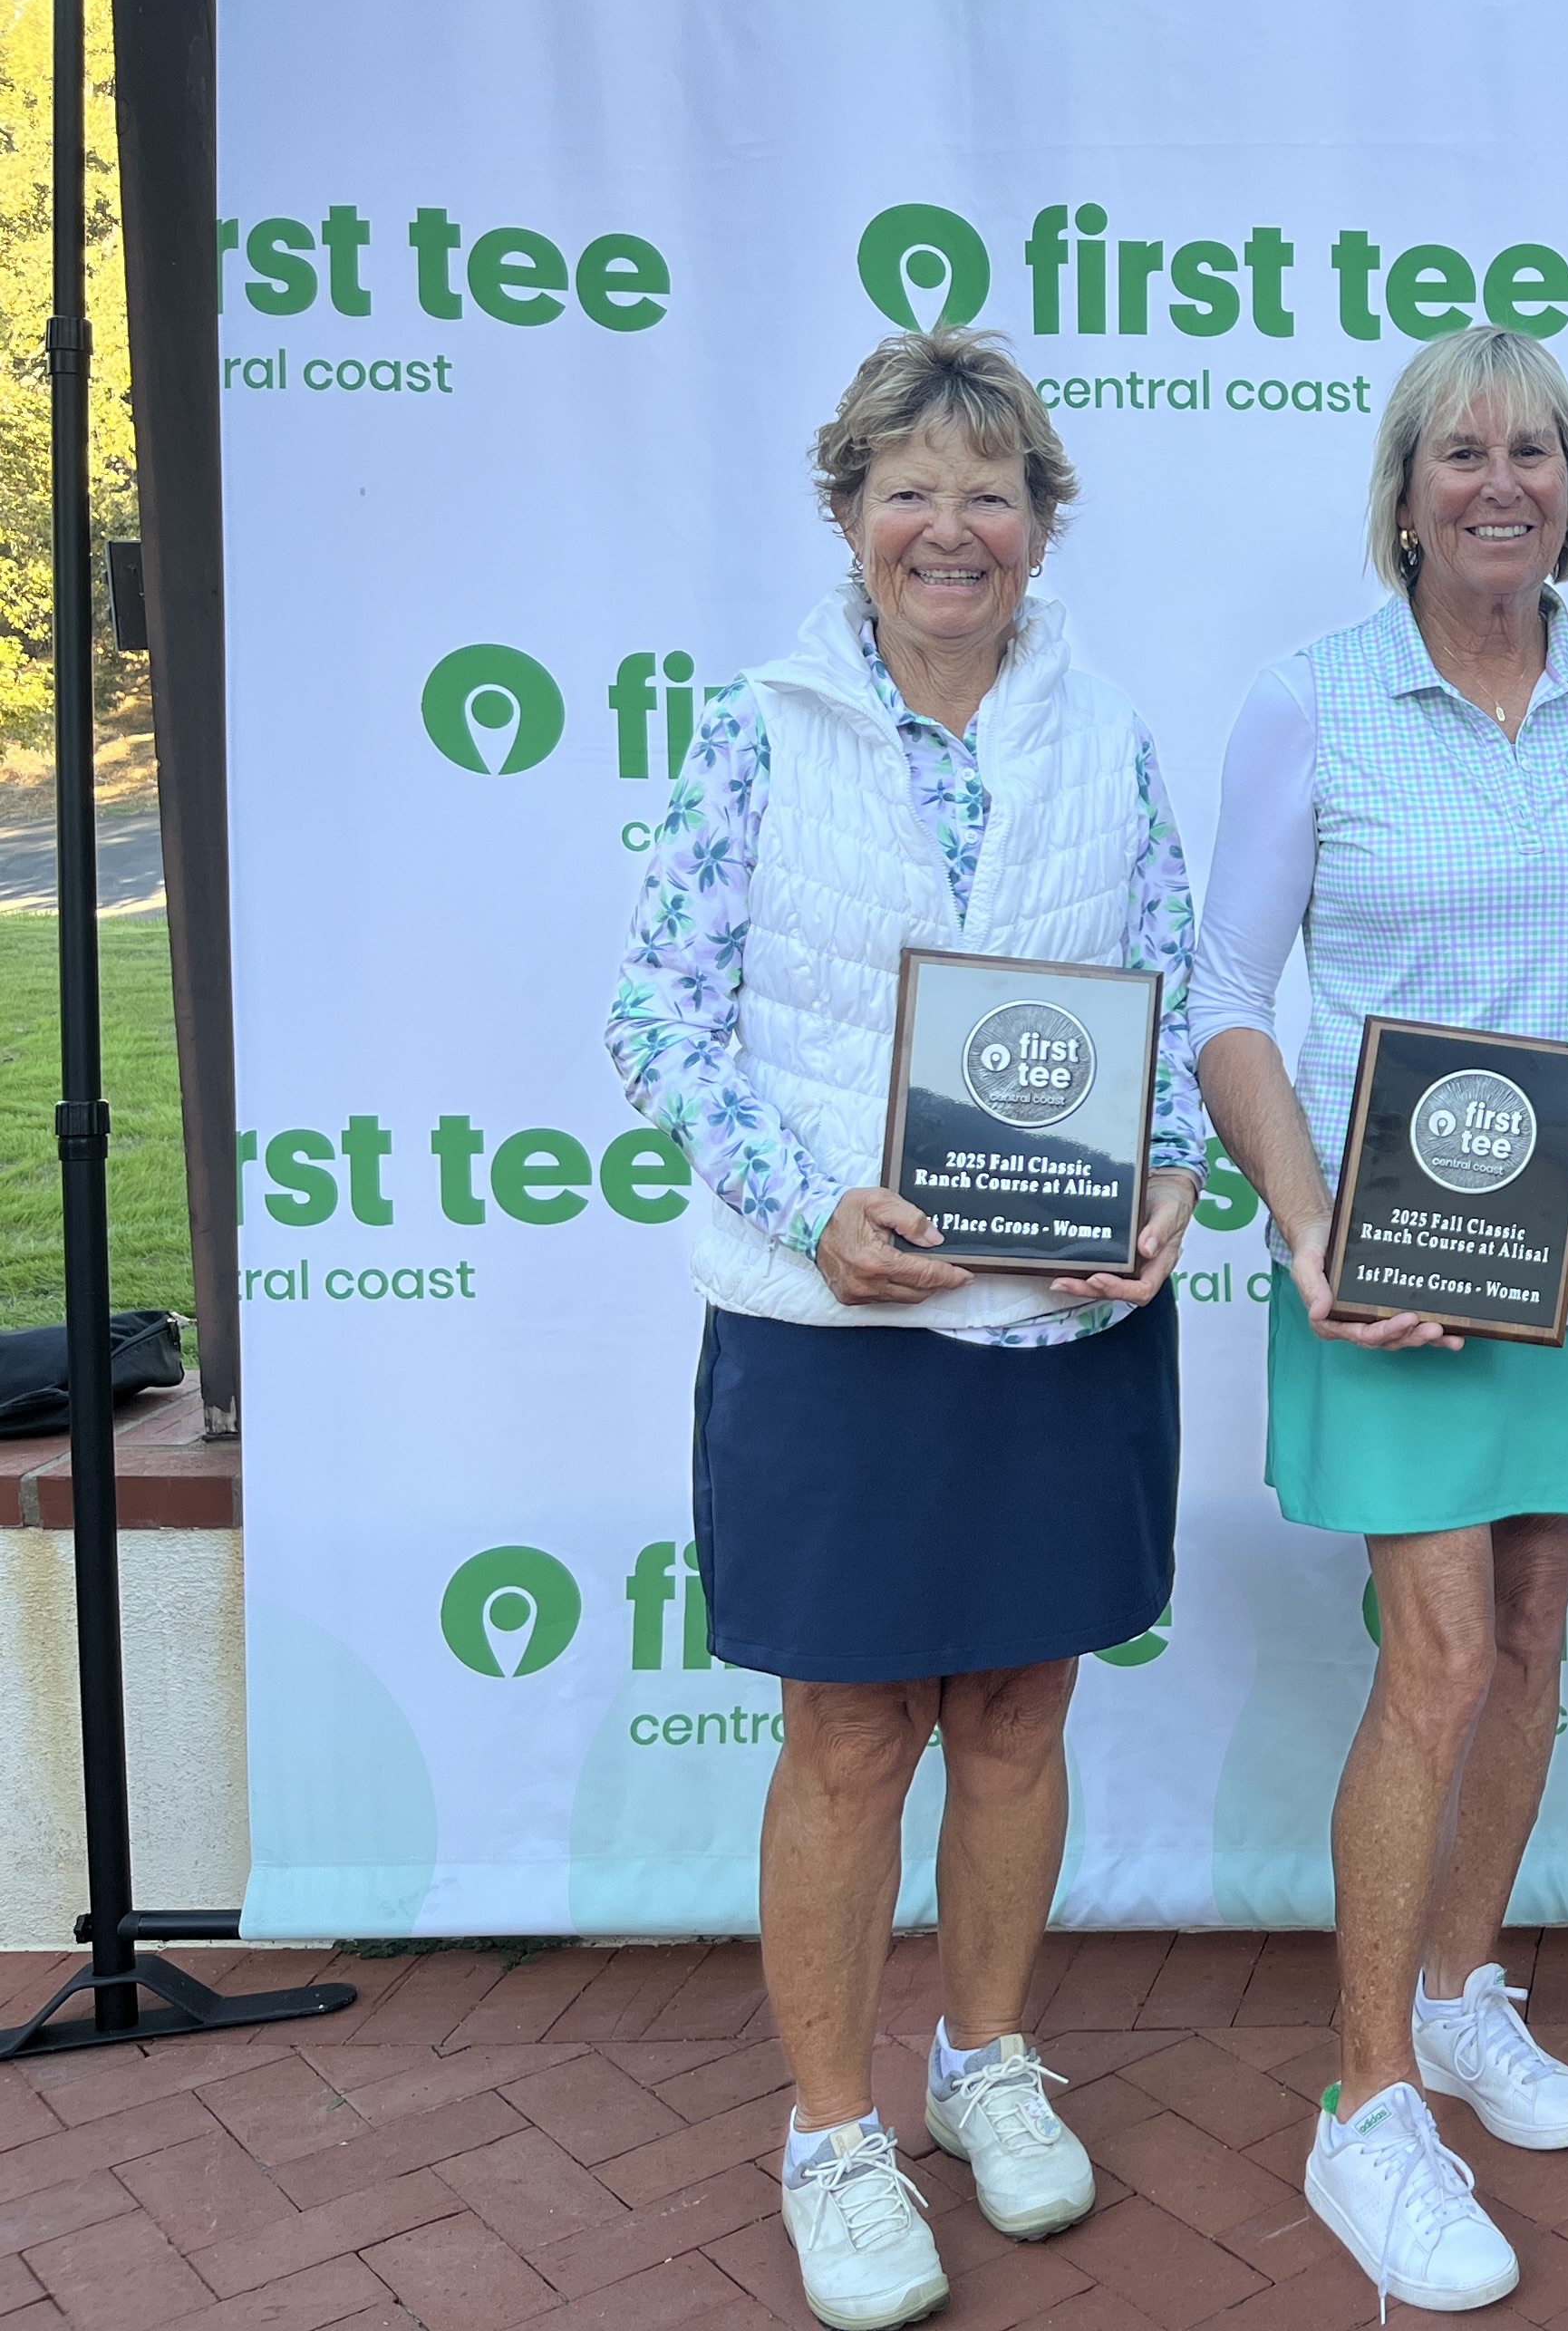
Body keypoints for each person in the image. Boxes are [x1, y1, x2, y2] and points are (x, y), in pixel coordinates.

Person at [604, 329, 1204, 2331]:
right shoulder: (758, 728)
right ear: (849, 512)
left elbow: (1175, 986)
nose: (953, 528)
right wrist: (807, 1209)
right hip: (828, 1314)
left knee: (1022, 1710)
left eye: (992, 491)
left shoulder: (1103, 732)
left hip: (1060, 1313)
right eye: (910, 490)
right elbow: (659, 1023)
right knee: (852, 1735)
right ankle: (833, 2137)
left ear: (1043, 524)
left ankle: (987, 2062)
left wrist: (1172, 1180)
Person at [1192, 324, 1568, 2316]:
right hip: (1383, 1273)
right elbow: (1228, 995)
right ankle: (1365, 2100)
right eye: (1462, 452)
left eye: (1538, 452)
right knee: (1442, 1661)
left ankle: (1466, 1989)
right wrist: (1307, 1228)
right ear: (1402, 493)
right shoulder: (1310, 704)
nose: (1503, 483)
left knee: (1541, 1624)